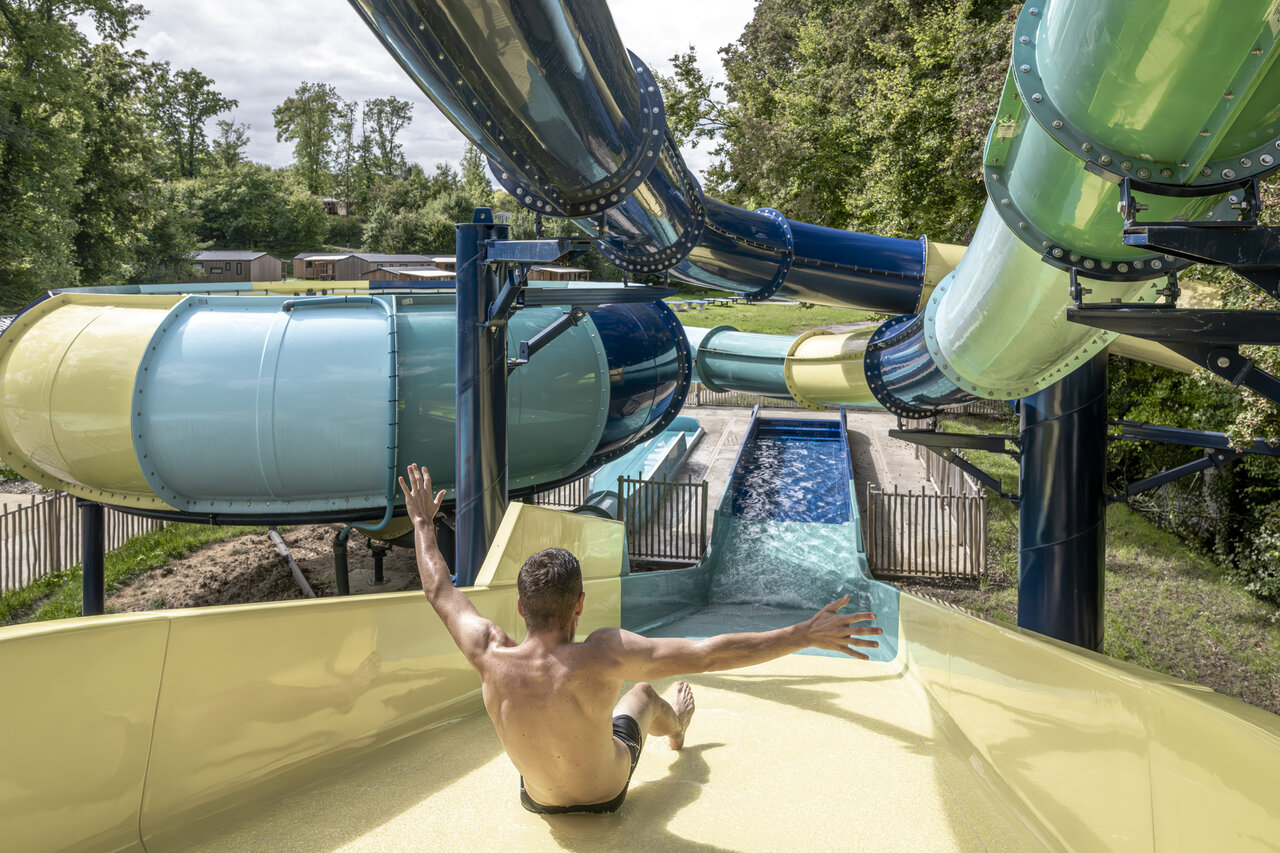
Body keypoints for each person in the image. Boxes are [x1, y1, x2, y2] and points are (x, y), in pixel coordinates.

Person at [399, 463, 882, 815]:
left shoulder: (488, 651)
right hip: (607, 795)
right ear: (580, 605)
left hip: (537, 800)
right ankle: (678, 728)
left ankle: (662, 732)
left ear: (521, 607)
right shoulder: (604, 654)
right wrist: (802, 633)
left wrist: (423, 523)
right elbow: (709, 655)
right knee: (644, 694)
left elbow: (439, 590)